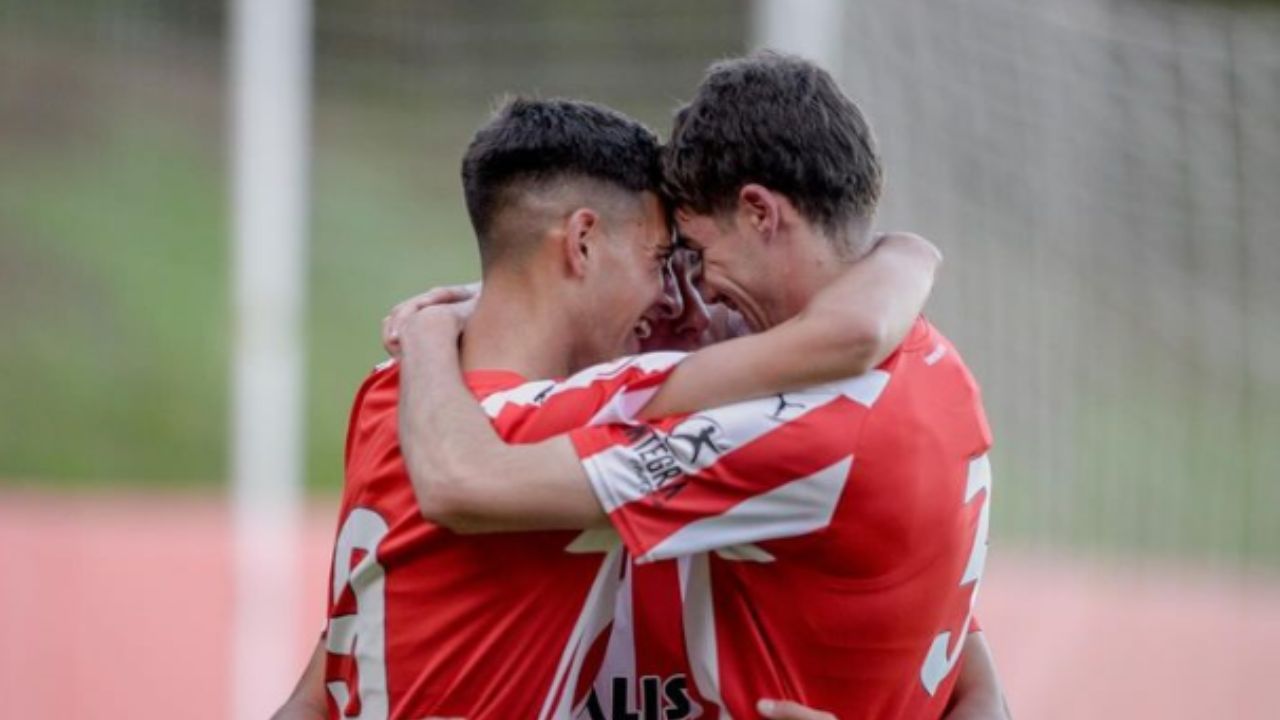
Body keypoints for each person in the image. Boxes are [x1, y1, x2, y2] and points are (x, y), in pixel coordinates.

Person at [273, 96, 962, 719]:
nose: (675, 297)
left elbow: (317, 689)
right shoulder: (595, 413)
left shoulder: (395, 392)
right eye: (664, 260)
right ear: (581, 243)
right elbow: (850, 335)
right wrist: (908, 255)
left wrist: (428, 331)